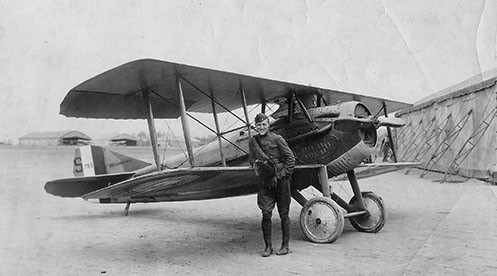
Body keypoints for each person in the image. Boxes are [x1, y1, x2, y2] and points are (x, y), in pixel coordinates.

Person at [249, 113, 295, 257]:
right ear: (255, 126)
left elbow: (290, 158)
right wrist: (258, 165)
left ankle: (285, 246)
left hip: (281, 181)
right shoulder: (253, 141)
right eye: (258, 125)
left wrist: (282, 175)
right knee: (266, 213)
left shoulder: (277, 139)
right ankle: (268, 247)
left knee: (284, 213)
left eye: (264, 125)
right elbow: (251, 159)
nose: (261, 127)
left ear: (268, 125)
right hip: (265, 181)